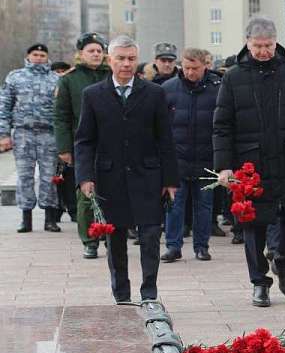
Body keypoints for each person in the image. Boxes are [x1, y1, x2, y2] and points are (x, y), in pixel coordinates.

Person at [213, 16, 285, 308]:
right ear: (247, 43)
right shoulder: (233, 77)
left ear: (276, 42)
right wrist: (224, 165)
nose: (263, 51)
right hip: (251, 164)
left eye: (268, 45)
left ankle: (283, 260)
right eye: (257, 45)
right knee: (253, 225)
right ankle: (259, 283)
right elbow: (222, 125)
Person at [74, 35, 178, 304]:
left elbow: (165, 139)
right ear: (110, 60)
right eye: (120, 58)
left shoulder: (155, 93)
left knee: (151, 236)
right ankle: (121, 293)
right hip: (110, 178)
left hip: (148, 176)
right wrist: (85, 177)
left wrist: (170, 180)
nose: (126, 64)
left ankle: (149, 292)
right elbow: (85, 140)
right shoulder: (93, 95)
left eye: (131, 58)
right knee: (116, 240)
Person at [54, 32, 112, 258]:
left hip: (111, 143)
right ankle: (90, 240)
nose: (96, 54)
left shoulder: (112, 75)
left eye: (99, 50)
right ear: (81, 54)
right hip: (83, 144)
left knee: (113, 191)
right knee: (86, 194)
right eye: (91, 50)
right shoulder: (70, 79)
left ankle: (111, 235)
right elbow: (61, 116)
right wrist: (64, 148)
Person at [161, 48, 221, 263]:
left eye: (195, 68)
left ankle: (202, 246)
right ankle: (173, 246)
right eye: (186, 68)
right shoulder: (168, 89)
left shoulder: (217, 89)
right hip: (177, 158)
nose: (190, 72)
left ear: (206, 65)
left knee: (204, 205)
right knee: (174, 205)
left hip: (206, 158)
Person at [0, 43, 62, 233]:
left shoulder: (56, 79)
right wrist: (3, 134)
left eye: (43, 55)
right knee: (24, 176)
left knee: (48, 177)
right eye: (35, 54)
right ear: (28, 56)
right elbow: (4, 106)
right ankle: (25, 218)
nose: (39, 58)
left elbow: (62, 110)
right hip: (23, 133)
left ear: (47, 57)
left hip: (48, 134)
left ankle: (50, 219)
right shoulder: (15, 77)